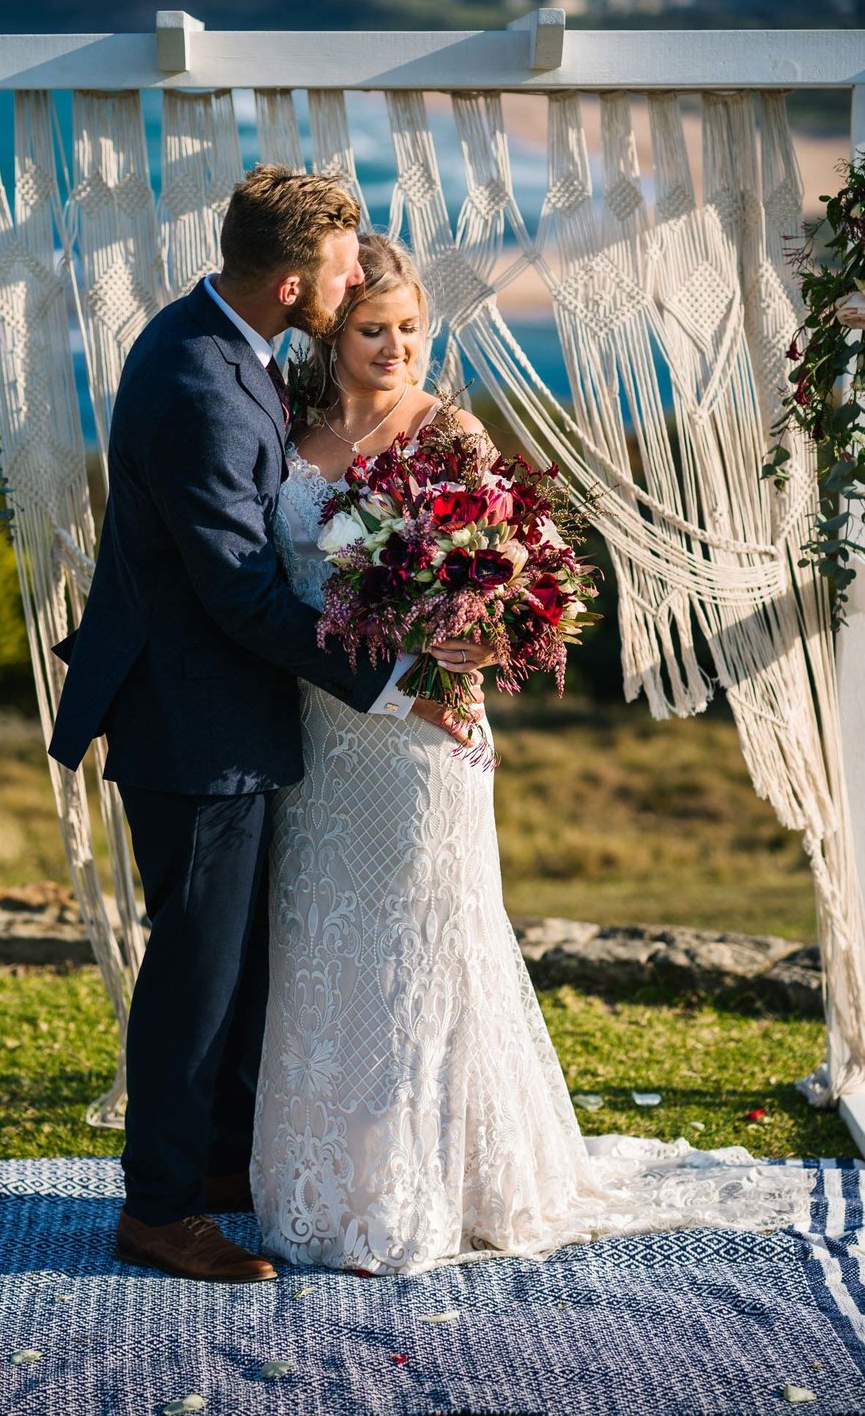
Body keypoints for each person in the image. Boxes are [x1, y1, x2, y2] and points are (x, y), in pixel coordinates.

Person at [251, 232, 816, 1275]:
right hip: (322, 731)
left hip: (427, 734)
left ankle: (442, 1183)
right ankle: (341, 1179)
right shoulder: (288, 433)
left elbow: (517, 577)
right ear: (332, 337)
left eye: (412, 328)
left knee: (423, 939)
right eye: (373, 329)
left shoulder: (450, 432)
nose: (397, 347)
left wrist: (481, 627)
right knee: (328, 943)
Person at [47, 170, 488, 1284]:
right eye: (344, 273)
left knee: (234, 961)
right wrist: (401, 680)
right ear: (292, 282)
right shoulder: (203, 382)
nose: (354, 289)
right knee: (196, 968)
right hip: (195, 727)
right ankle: (158, 1209)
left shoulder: (219, 347)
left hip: (226, 715)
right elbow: (241, 593)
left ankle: (213, 1164)